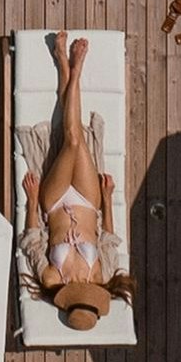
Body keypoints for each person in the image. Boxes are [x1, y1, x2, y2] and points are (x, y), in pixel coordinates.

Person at [32, 31, 117, 331]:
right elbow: (108, 237)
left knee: (71, 141)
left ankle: (72, 69)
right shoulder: (101, 276)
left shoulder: (52, 279)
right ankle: (68, 69)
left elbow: (32, 239)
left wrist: (32, 200)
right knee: (76, 138)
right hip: (87, 200)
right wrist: (107, 199)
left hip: (54, 203)